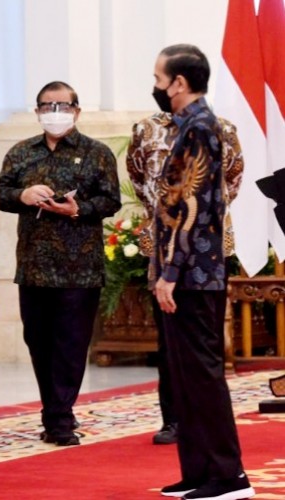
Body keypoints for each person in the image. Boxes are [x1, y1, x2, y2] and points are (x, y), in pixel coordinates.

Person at [150, 44, 254, 500]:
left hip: (194, 274)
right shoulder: (188, 126)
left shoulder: (199, 127)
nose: (154, 85)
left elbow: (192, 206)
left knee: (202, 377)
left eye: (159, 78)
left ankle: (228, 476)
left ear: (179, 82)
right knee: (184, 377)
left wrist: (170, 270)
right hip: (185, 272)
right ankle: (198, 472)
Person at [0, 81, 121, 447]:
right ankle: (54, 410)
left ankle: (60, 417)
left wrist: (78, 209)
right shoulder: (21, 153)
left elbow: (110, 200)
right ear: (36, 112)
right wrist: (23, 194)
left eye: (62, 105)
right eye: (47, 106)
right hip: (34, 265)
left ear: (77, 110)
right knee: (38, 340)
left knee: (71, 343)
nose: (54, 112)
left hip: (80, 268)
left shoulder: (97, 153)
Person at [126, 112, 243, 445]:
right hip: (164, 246)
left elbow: (233, 177)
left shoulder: (223, 127)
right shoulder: (145, 130)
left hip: (208, 252)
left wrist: (201, 219)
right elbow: (137, 178)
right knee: (170, 340)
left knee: (207, 338)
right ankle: (174, 419)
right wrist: (164, 213)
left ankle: (208, 420)